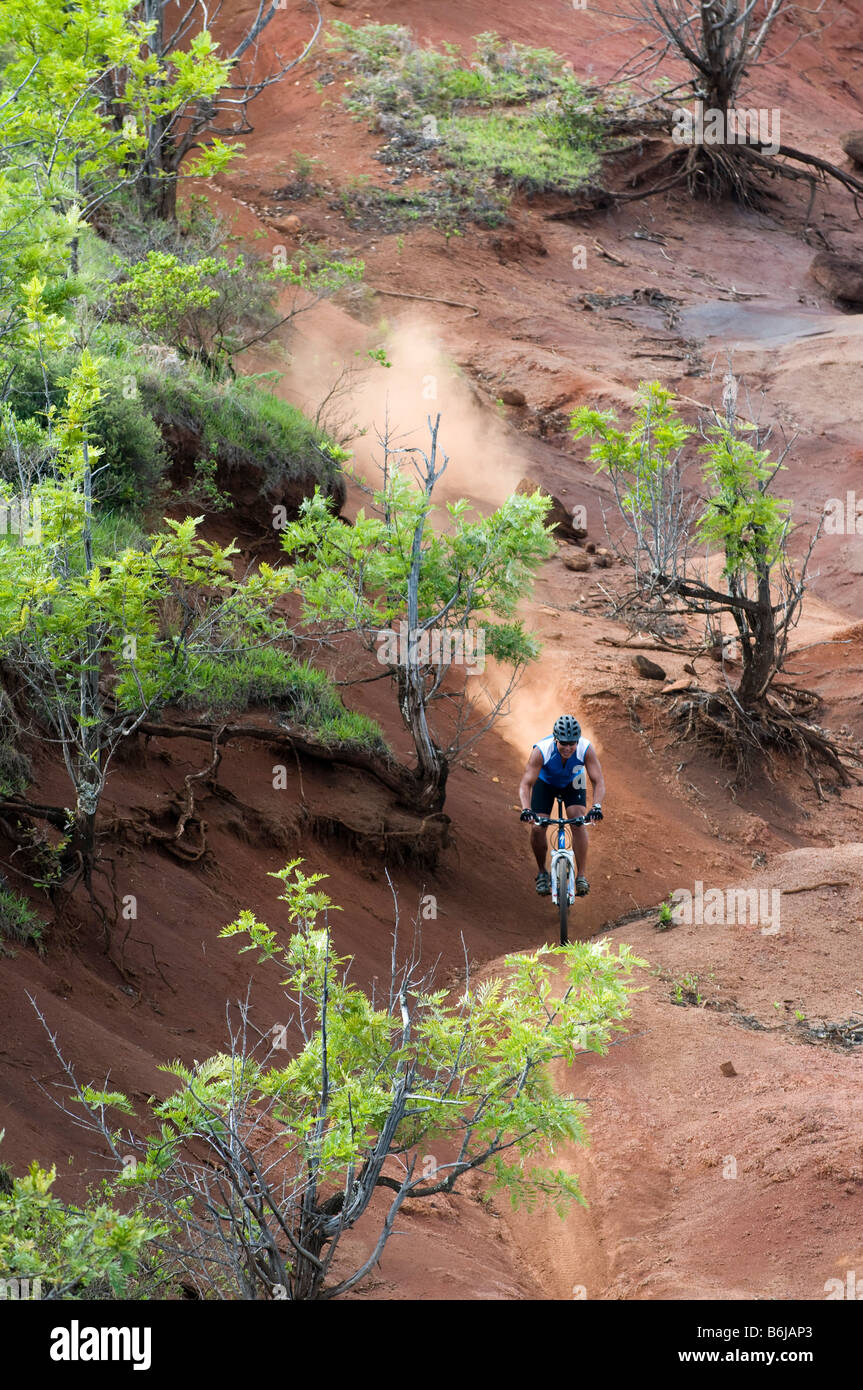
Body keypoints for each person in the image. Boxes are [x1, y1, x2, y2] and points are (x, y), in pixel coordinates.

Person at [518, 714, 605, 897]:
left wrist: (596, 806)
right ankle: (542, 873)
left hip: (574, 779)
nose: (568, 748)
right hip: (546, 782)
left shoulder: (585, 748)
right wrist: (526, 809)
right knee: (538, 827)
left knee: (577, 820)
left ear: (577, 740)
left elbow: (598, 781)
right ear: (555, 739)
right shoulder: (542, 750)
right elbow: (526, 784)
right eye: (563, 743)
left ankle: (581, 876)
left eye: (572, 743)